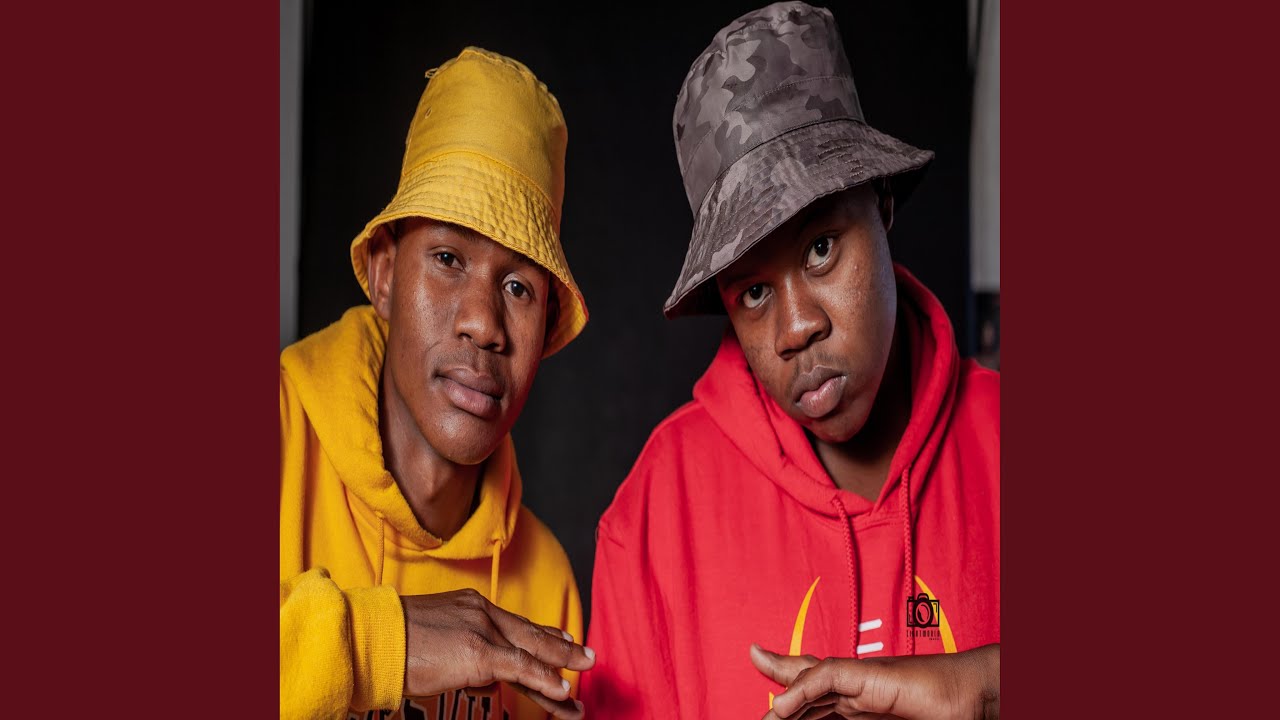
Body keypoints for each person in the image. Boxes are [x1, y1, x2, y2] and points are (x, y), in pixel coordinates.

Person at [580, 3, 999, 718]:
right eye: (753, 292)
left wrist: (982, 689)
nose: (797, 328)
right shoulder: (655, 514)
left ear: (882, 205)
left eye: (821, 249)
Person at [280, 47, 595, 720]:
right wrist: (381, 644)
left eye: (519, 287)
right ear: (385, 275)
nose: (484, 323)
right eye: (449, 258)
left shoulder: (546, 585)